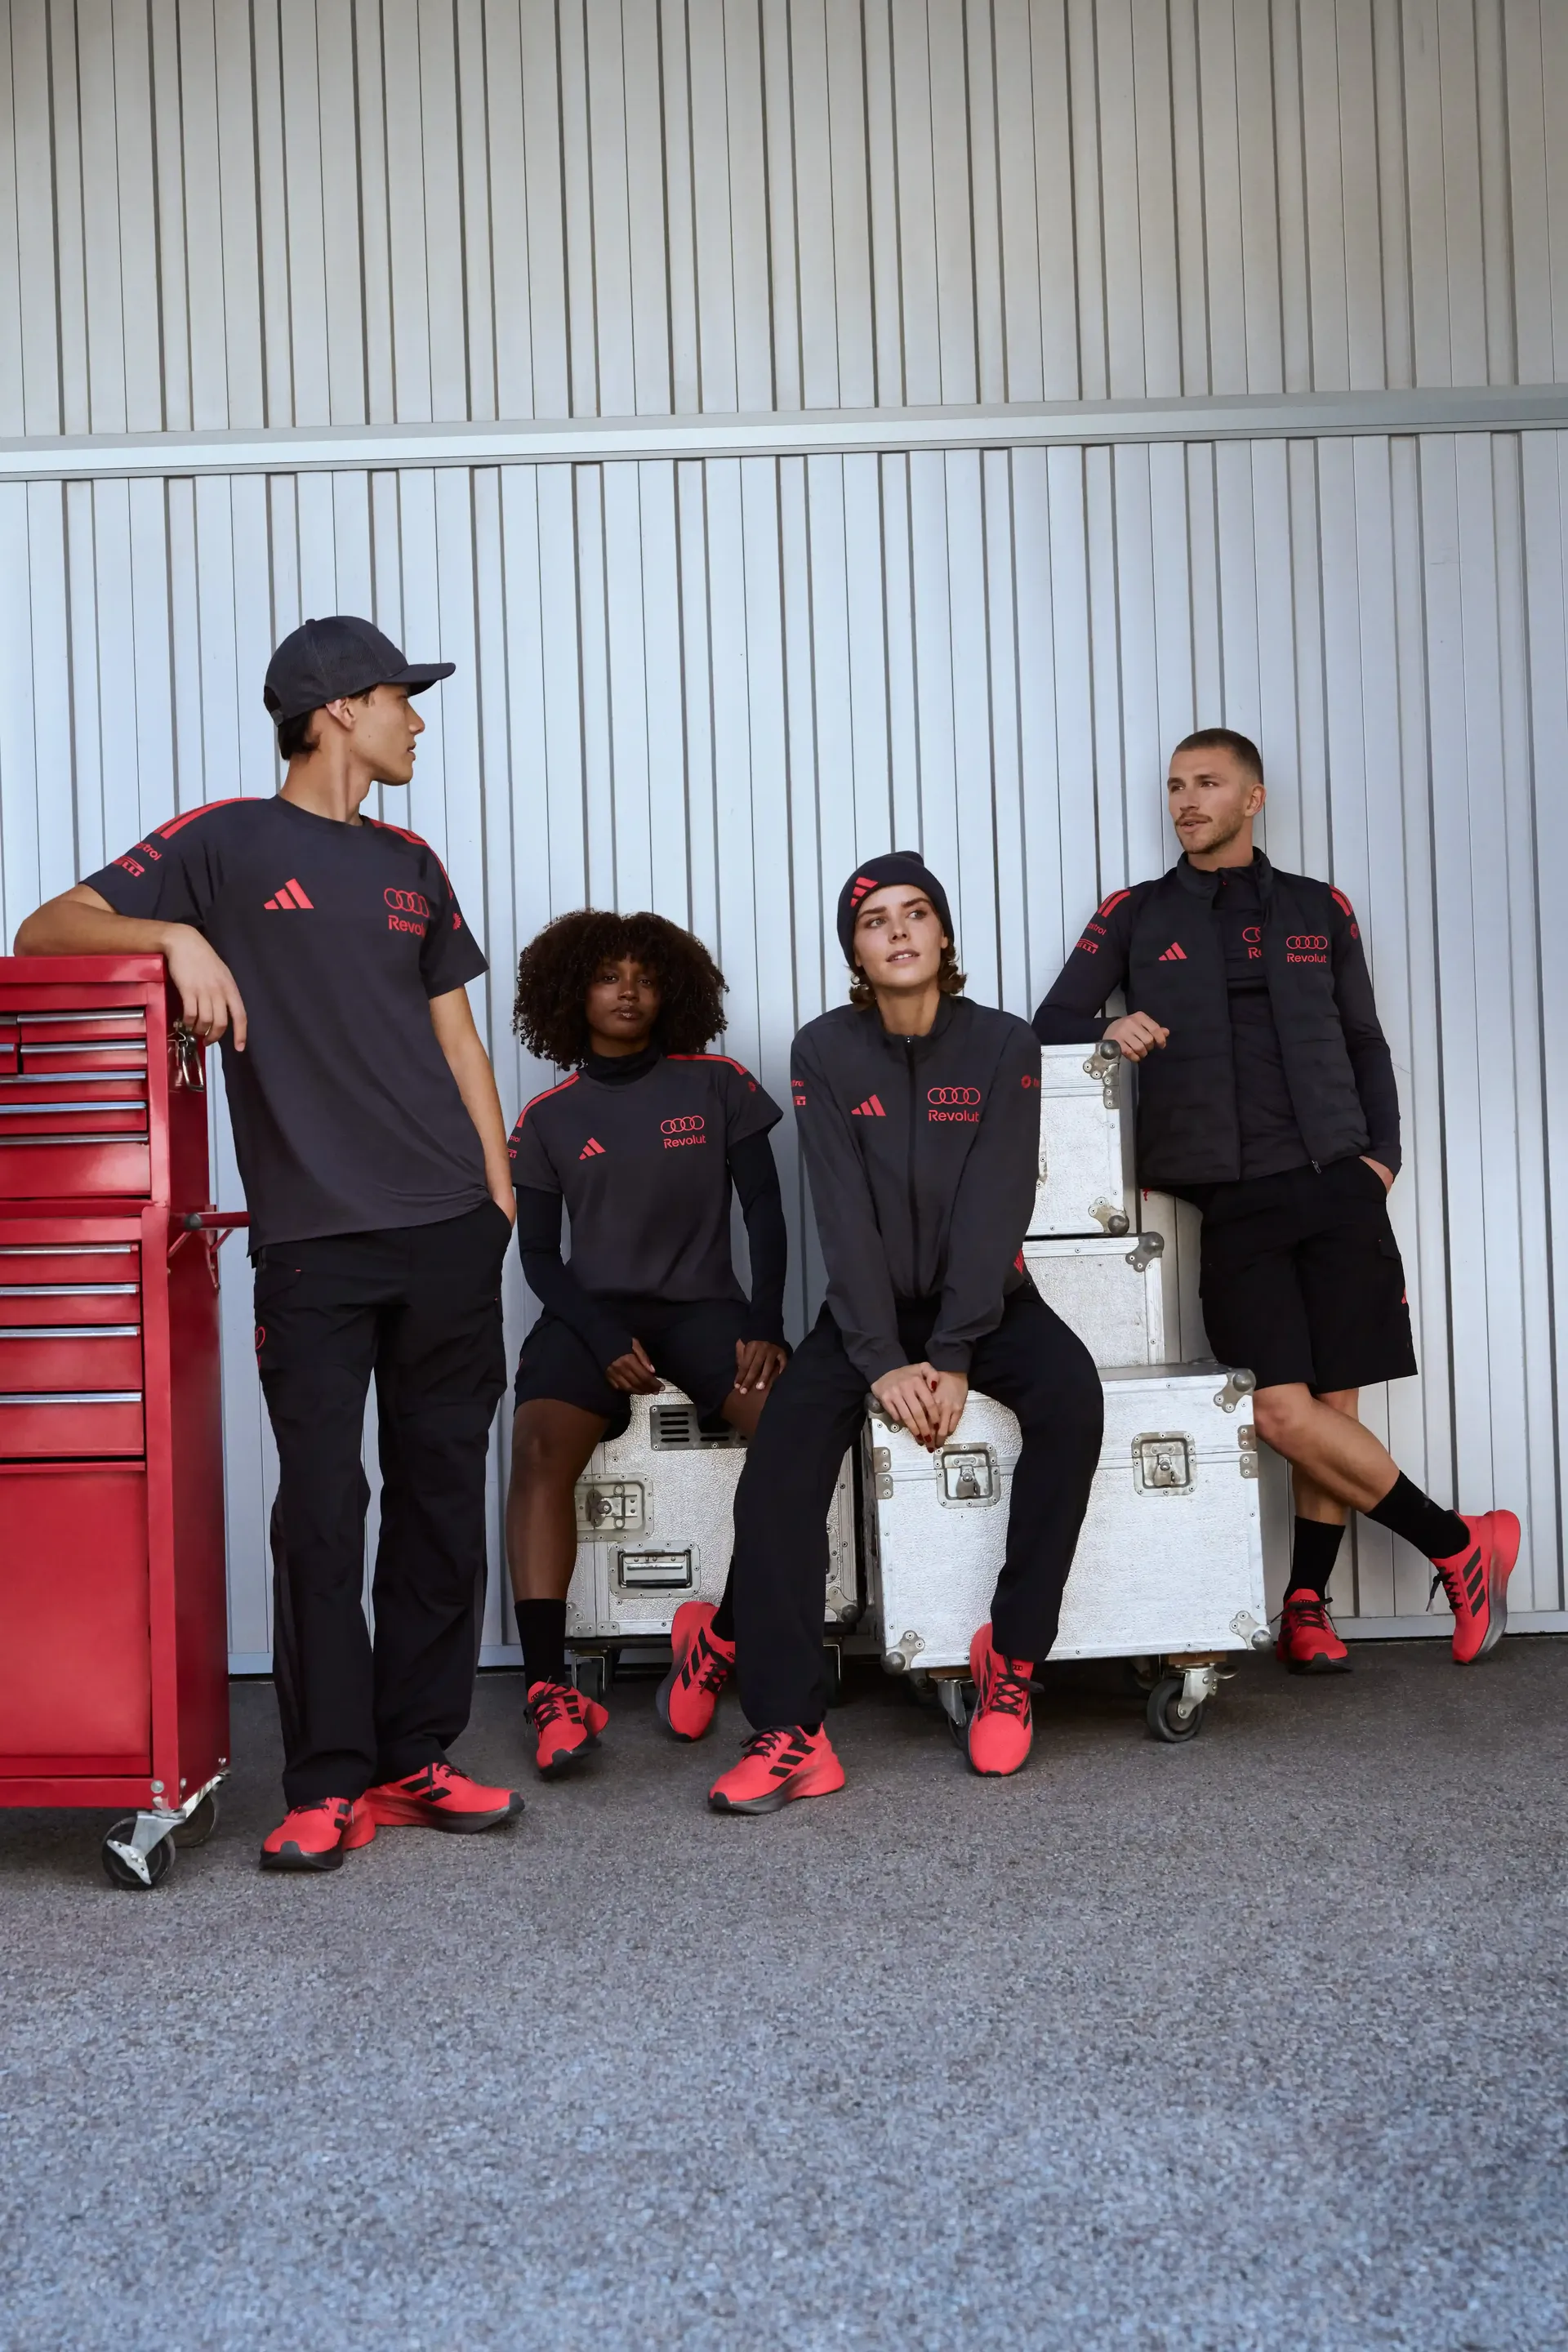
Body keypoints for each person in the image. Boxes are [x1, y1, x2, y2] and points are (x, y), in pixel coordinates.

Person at [14, 614, 523, 1871]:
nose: (419, 719)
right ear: (340, 706)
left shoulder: (414, 858)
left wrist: (500, 1203)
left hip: (449, 1228)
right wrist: (178, 937)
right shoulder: (227, 842)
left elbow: (460, 1043)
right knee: (323, 1511)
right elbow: (45, 929)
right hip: (316, 1242)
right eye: (405, 698)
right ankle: (327, 1781)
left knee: (442, 1505)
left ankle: (416, 1758)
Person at [1032, 727, 1518, 1672]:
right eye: (1176, 786)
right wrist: (1110, 1024)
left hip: (1340, 1182)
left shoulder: (1318, 908)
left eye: (1207, 784)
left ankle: (1306, 1602)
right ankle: (1460, 1544)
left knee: (1335, 1399)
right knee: (1280, 1410)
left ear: (1252, 799)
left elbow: (1366, 1040)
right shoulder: (1135, 915)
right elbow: (1053, 1018)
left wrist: (1383, 1157)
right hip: (1233, 1198)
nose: (1186, 801)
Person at [706, 852, 1105, 1815]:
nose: (897, 931)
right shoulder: (824, 1049)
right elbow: (839, 1215)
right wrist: (883, 1361)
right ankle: (794, 1733)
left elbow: (995, 1201)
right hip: (863, 1312)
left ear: (943, 935)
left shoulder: (1004, 1043)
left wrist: (957, 1351)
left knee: (1073, 1402)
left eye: (915, 913)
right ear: (856, 948)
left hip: (990, 1301)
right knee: (776, 1479)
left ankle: (1011, 1659)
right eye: (875, 919)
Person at [505, 911, 790, 1775]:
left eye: (644, 975)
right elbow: (540, 1258)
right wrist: (597, 1333)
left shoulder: (719, 1083)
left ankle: (722, 1640)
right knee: (541, 1446)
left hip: (705, 1310)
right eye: (607, 975)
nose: (627, 990)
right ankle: (549, 1686)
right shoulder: (548, 1116)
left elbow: (767, 1214)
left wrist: (766, 1321)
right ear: (571, 995)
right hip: (589, 1316)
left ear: (673, 991)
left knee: (793, 1428)